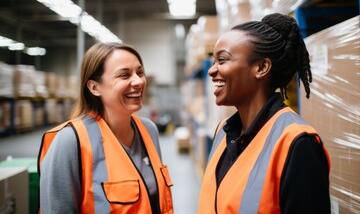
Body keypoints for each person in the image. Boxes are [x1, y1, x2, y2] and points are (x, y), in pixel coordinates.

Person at [198, 13, 331, 213]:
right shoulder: (222, 134)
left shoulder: (298, 144)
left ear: (261, 67)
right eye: (214, 61)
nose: (211, 71)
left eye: (222, 60)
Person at [38, 42, 174, 213]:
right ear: (94, 87)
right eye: (124, 75)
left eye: (140, 72)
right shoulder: (71, 141)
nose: (138, 81)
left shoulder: (149, 130)